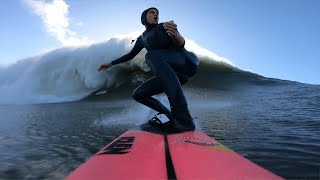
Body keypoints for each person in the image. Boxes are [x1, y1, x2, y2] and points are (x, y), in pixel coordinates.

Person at [97, 7, 199, 132]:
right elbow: (130, 55)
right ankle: (169, 116)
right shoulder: (142, 38)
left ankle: (183, 118)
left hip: (184, 62)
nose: (156, 15)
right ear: (144, 17)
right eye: (152, 12)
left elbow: (180, 44)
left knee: (151, 55)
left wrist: (177, 36)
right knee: (139, 94)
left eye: (157, 13)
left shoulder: (164, 26)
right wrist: (111, 63)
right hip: (171, 74)